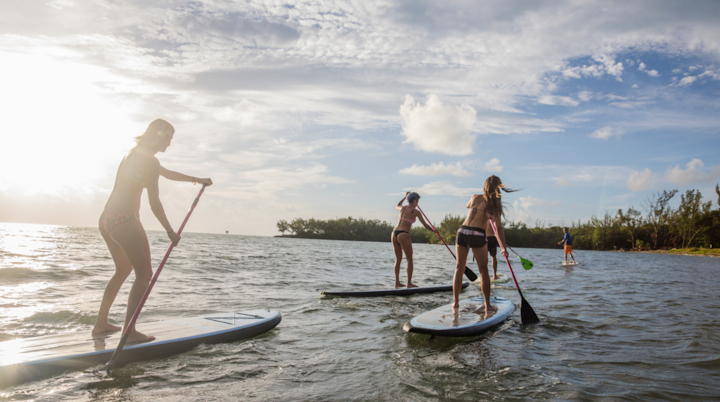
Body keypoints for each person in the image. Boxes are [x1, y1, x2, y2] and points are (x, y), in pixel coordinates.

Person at [92, 119, 213, 343]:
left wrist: (197, 180)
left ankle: (100, 324)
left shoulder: (134, 153)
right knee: (144, 274)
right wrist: (169, 231)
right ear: (159, 136)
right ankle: (129, 333)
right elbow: (154, 202)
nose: (169, 144)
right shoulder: (151, 161)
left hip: (106, 219)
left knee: (122, 270)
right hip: (125, 220)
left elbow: (166, 173)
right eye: (168, 138)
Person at [452, 176, 516, 311]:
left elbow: (468, 205)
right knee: (484, 271)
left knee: (459, 267)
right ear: (497, 188)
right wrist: (503, 248)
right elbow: (498, 228)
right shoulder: (494, 205)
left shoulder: (475, 197)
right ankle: (487, 305)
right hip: (477, 234)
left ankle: (455, 302)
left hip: (462, 231)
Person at [391, 192, 438, 289]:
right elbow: (425, 225)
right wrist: (433, 231)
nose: (418, 203)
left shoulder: (402, 208)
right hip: (403, 234)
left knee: (398, 259)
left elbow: (397, 205)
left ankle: (397, 283)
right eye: (418, 201)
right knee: (410, 259)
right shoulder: (416, 212)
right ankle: (409, 283)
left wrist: (404, 197)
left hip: (394, 234)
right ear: (415, 200)